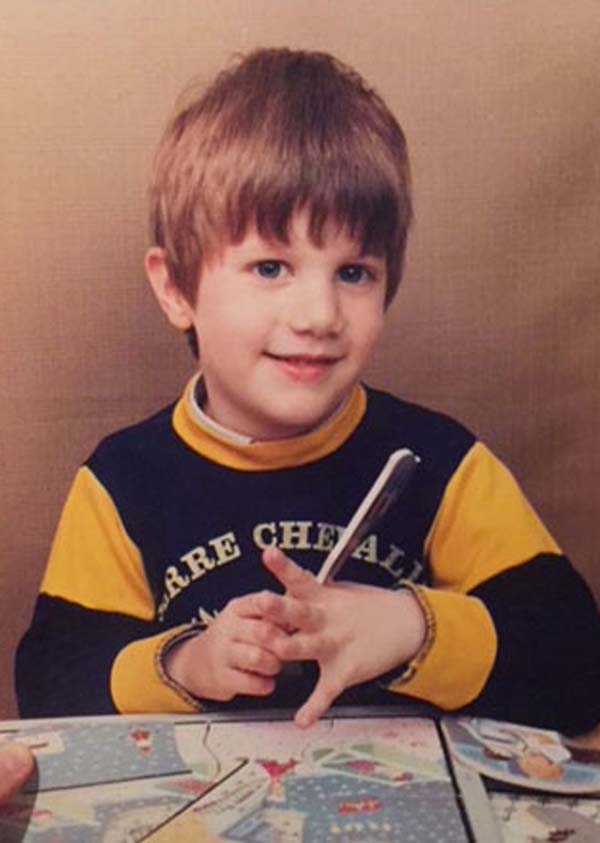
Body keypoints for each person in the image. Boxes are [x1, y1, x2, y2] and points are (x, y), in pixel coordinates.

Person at [15, 48, 600, 735]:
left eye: (354, 272)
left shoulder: (440, 462)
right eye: (271, 266)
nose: (319, 314)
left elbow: (577, 666)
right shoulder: (124, 479)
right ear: (176, 289)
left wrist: (413, 626)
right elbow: (50, 690)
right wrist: (185, 663)